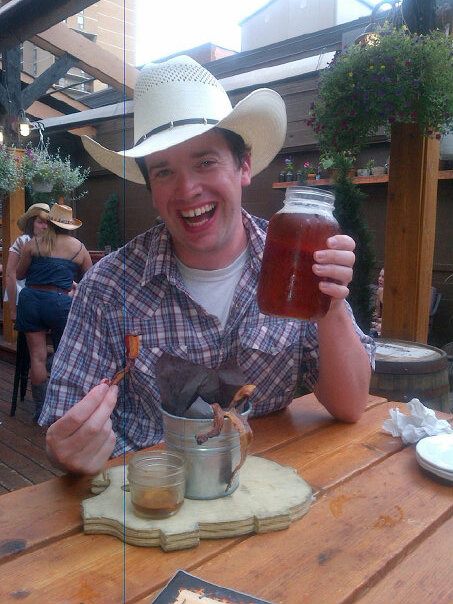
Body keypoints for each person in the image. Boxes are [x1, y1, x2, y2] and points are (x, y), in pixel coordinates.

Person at [41, 55, 375, 475]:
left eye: (206, 162)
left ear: (244, 166)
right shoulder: (108, 286)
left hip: (267, 488)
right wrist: (68, 449)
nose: (188, 190)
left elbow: (349, 406)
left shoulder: (297, 258)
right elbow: (62, 427)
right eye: (164, 171)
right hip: (154, 500)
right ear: (151, 189)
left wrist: (331, 300)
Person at [15, 203, 93, 420]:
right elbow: (90, 280)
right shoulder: (78, 247)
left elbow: (20, 274)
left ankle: (40, 411)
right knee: (64, 355)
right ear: (69, 225)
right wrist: (72, 285)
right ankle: (60, 409)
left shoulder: (33, 244)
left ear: (49, 223)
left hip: (32, 301)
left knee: (37, 358)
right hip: (60, 302)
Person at [4, 203, 50, 322]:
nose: (45, 226)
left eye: (47, 222)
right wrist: (13, 309)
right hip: (24, 296)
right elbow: (10, 274)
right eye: (40, 222)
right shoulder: (22, 241)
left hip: (49, 299)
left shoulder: (54, 243)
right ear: (31, 223)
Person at [371, 268, 384, 337]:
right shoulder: (379, 291)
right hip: (379, 323)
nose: (380, 279)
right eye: (380, 276)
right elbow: (377, 314)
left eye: (383, 277)